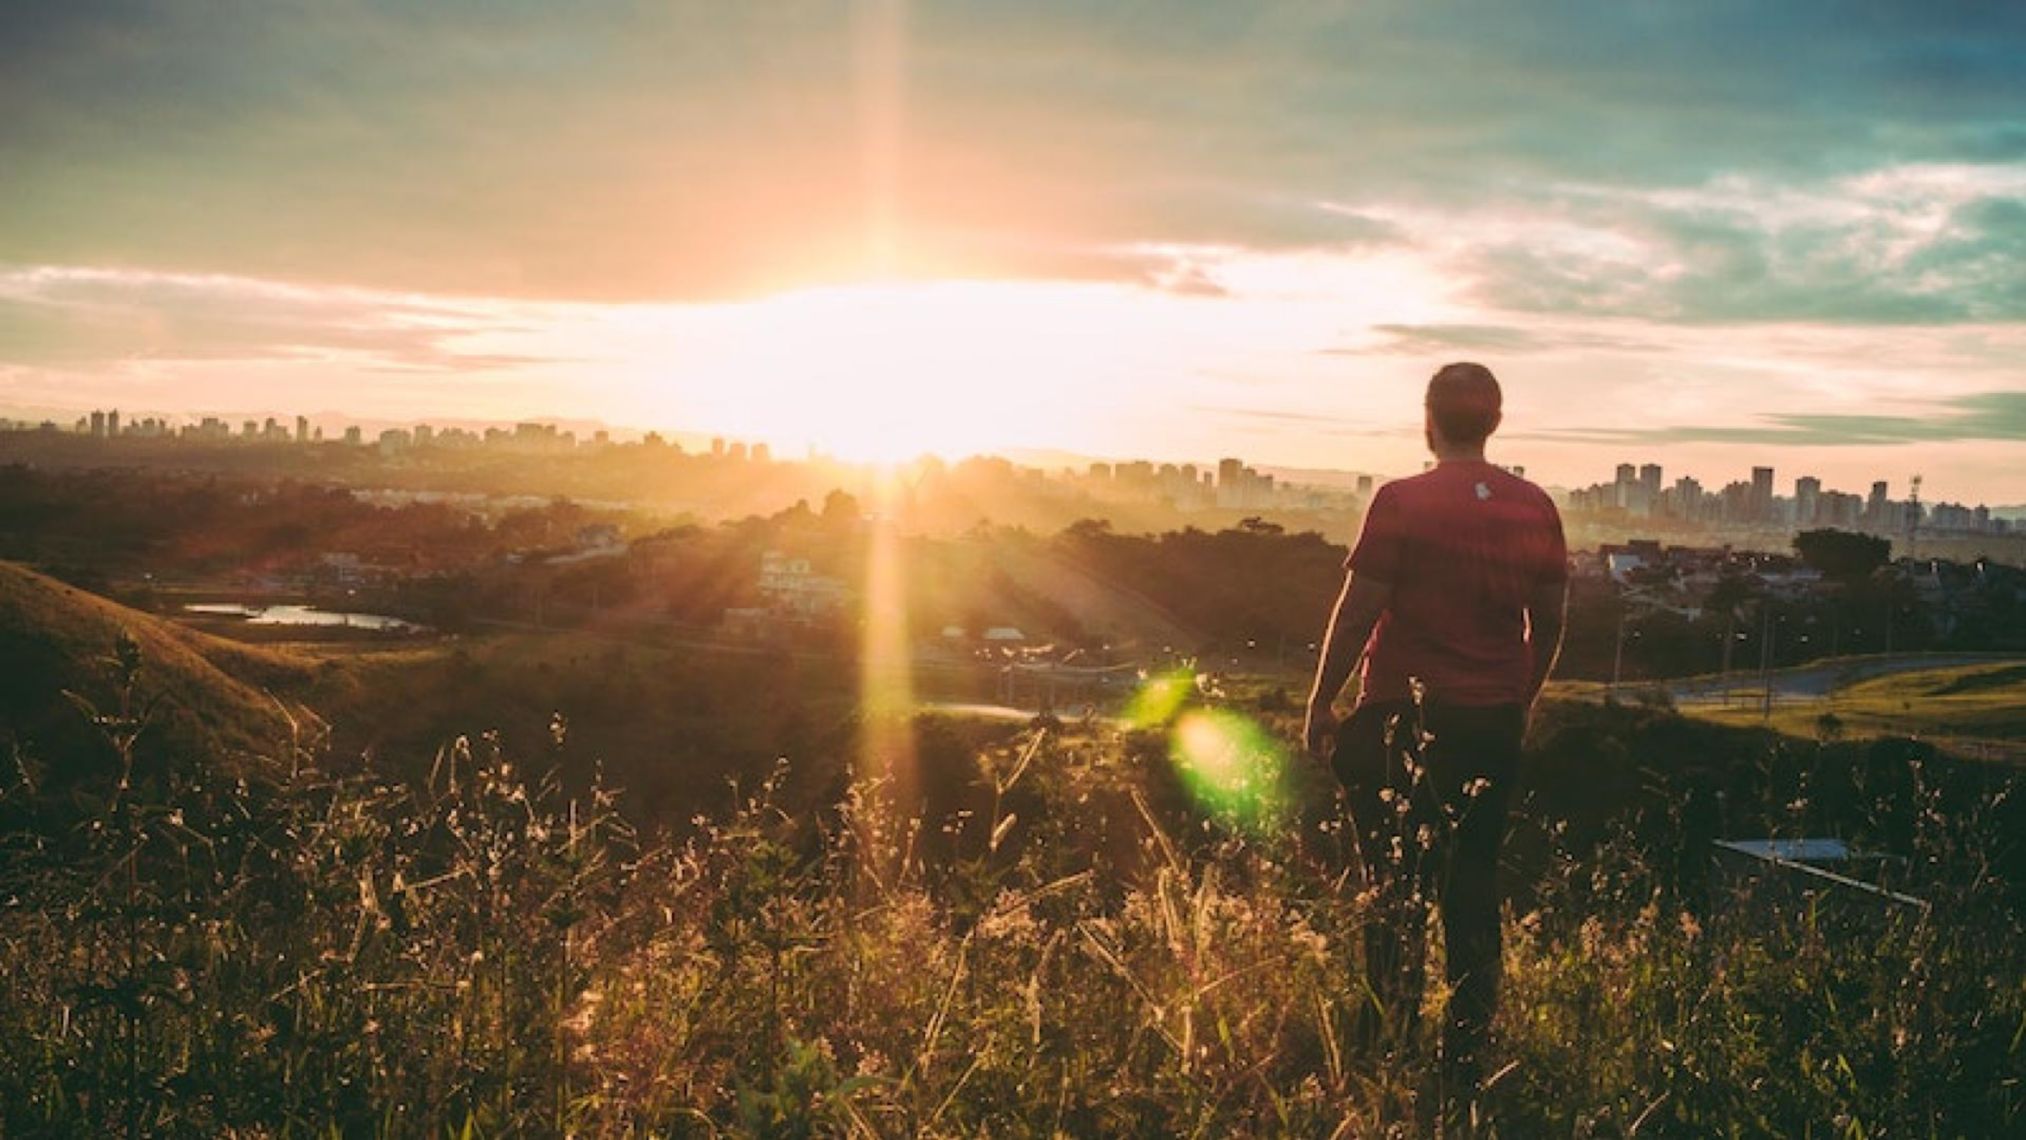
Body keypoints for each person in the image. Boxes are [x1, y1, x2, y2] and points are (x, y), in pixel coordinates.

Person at [1301, 362, 1568, 1109]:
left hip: (1397, 720)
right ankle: (1465, 1060)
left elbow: (1357, 613)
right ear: (1496, 420)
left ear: (1429, 418)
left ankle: (1380, 1051)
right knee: (1472, 887)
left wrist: (1322, 702)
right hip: (1488, 726)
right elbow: (1549, 624)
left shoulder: (1401, 501)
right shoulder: (1533, 505)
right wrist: (1519, 698)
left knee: (1393, 890)